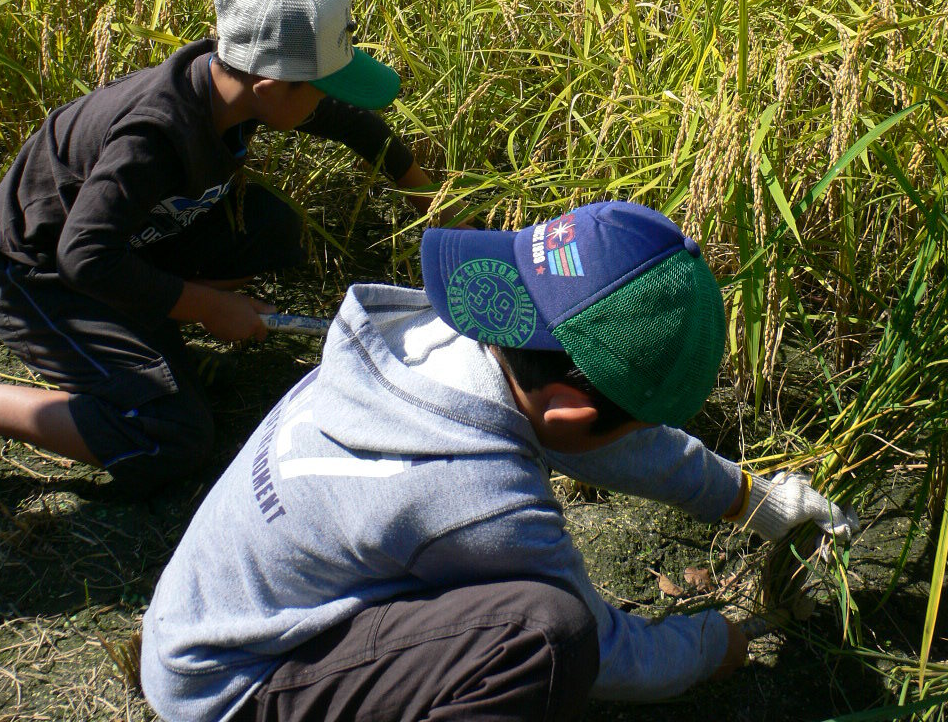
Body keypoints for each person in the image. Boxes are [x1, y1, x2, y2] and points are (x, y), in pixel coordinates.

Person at [140, 199, 855, 721]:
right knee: (545, 637)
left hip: (197, 625)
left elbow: (594, 430)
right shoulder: (476, 498)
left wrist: (750, 497)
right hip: (233, 693)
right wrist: (715, 645)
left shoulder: (422, 340)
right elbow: (607, 652)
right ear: (572, 417)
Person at [0, 0, 459, 493]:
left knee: (272, 229)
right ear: (268, 87)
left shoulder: (233, 84)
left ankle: (154, 339)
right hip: (37, 276)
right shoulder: (153, 138)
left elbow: (353, 123)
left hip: (129, 244)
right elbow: (84, 258)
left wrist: (434, 203)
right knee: (172, 438)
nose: (330, 100)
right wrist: (210, 306)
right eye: (323, 88)